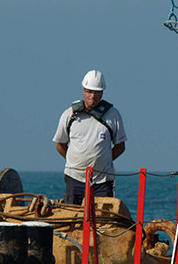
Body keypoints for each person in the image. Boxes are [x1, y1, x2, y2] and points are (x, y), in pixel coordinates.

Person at [54, 70, 126, 203]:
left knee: (101, 220)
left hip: (102, 181)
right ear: (83, 90)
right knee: (73, 217)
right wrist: (74, 162)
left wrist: (103, 162)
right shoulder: (69, 115)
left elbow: (120, 146)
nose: (92, 96)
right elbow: (60, 145)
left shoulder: (113, 115)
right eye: (89, 91)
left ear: (102, 93)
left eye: (97, 92)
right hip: (74, 178)